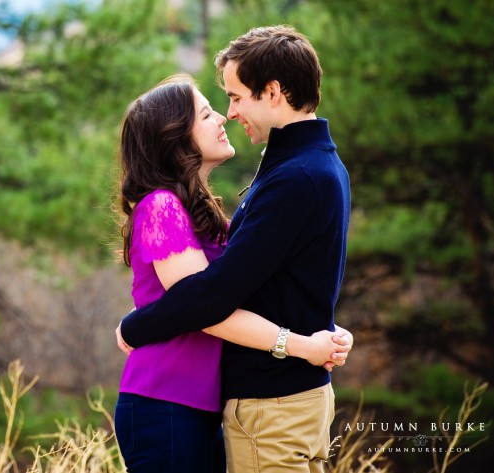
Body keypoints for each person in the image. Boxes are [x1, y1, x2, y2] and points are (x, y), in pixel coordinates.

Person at [118, 26, 352, 472]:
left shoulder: (295, 175)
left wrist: (136, 325)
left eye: (234, 97)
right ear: (175, 135)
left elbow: (217, 293)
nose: (227, 113)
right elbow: (213, 295)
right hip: (169, 397)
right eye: (210, 111)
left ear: (273, 91)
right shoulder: (167, 206)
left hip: (238, 400)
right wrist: (307, 342)